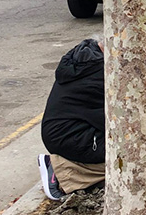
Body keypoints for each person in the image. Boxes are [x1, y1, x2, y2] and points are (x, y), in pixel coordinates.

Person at [38, 37, 105, 200]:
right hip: (70, 137)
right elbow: (116, 121)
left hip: (64, 132)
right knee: (135, 158)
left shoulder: (88, 60)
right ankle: (62, 169)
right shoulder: (102, 75)